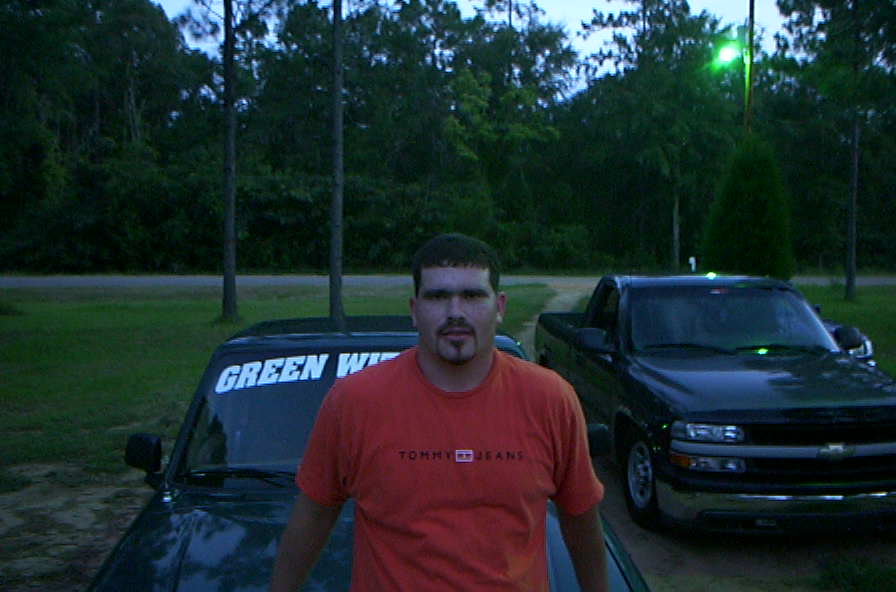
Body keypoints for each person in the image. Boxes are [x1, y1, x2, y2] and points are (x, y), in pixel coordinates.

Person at [270, 233, 607, 592]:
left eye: (472, 296)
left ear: (499, 307)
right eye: (438, 296)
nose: (455, 312)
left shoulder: (551, 400)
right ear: (414, 310)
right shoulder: (353, 401)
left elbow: (582, 523)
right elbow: (312, 518)